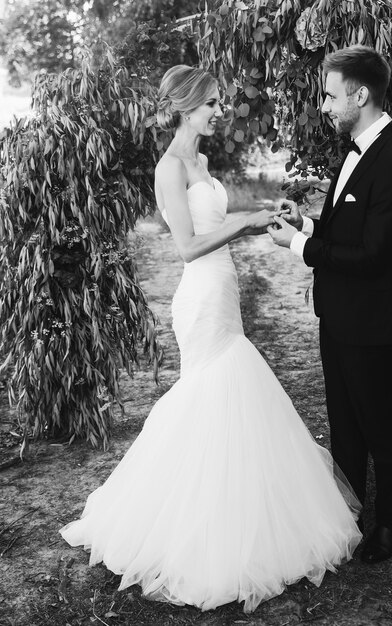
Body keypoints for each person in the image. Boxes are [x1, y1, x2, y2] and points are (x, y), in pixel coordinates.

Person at [60, 65, 361, 613]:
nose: (221, 111)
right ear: (187, 105)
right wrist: (244, 227)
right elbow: (187, 246)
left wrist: (262, 213)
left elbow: (219, 221)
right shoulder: (170, 167)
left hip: (224, 293)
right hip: (199, 298)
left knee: (233, 391)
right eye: (214, 104)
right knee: (210, 389)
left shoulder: (200, 162)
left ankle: (238, 509)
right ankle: (190, 525)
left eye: (220, 103)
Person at [268, 46, 392, 564]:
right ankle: (348, 511)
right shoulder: (355, 150)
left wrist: (297, 248)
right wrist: (305, 225)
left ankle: (390, 523)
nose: (326, 105)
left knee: (380, 423)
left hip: (372, 320)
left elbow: (374, 255)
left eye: (331, 95)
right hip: (336, 316)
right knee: (344, 423)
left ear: (361, 95)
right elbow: (343, 230)